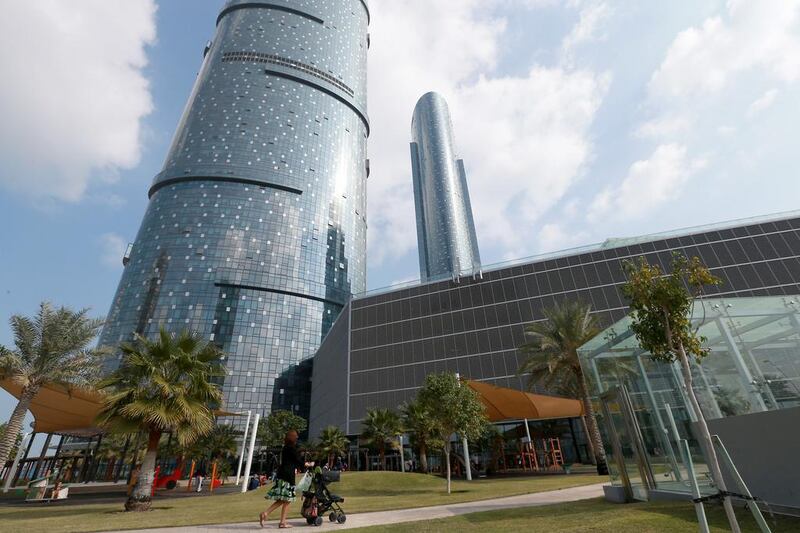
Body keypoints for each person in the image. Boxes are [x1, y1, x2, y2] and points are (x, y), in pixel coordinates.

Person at [260, 429, 312, 528]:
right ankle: (282, 522)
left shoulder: (285, 448)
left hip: (282, 475)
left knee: (283, 499)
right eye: (296, 436)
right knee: (287, 500)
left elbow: (293, 460)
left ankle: (266, 513)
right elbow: (297, 460)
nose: (297, 437)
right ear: (293, 437)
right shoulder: (291, 449)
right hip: (287, 476)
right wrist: (307, 464)